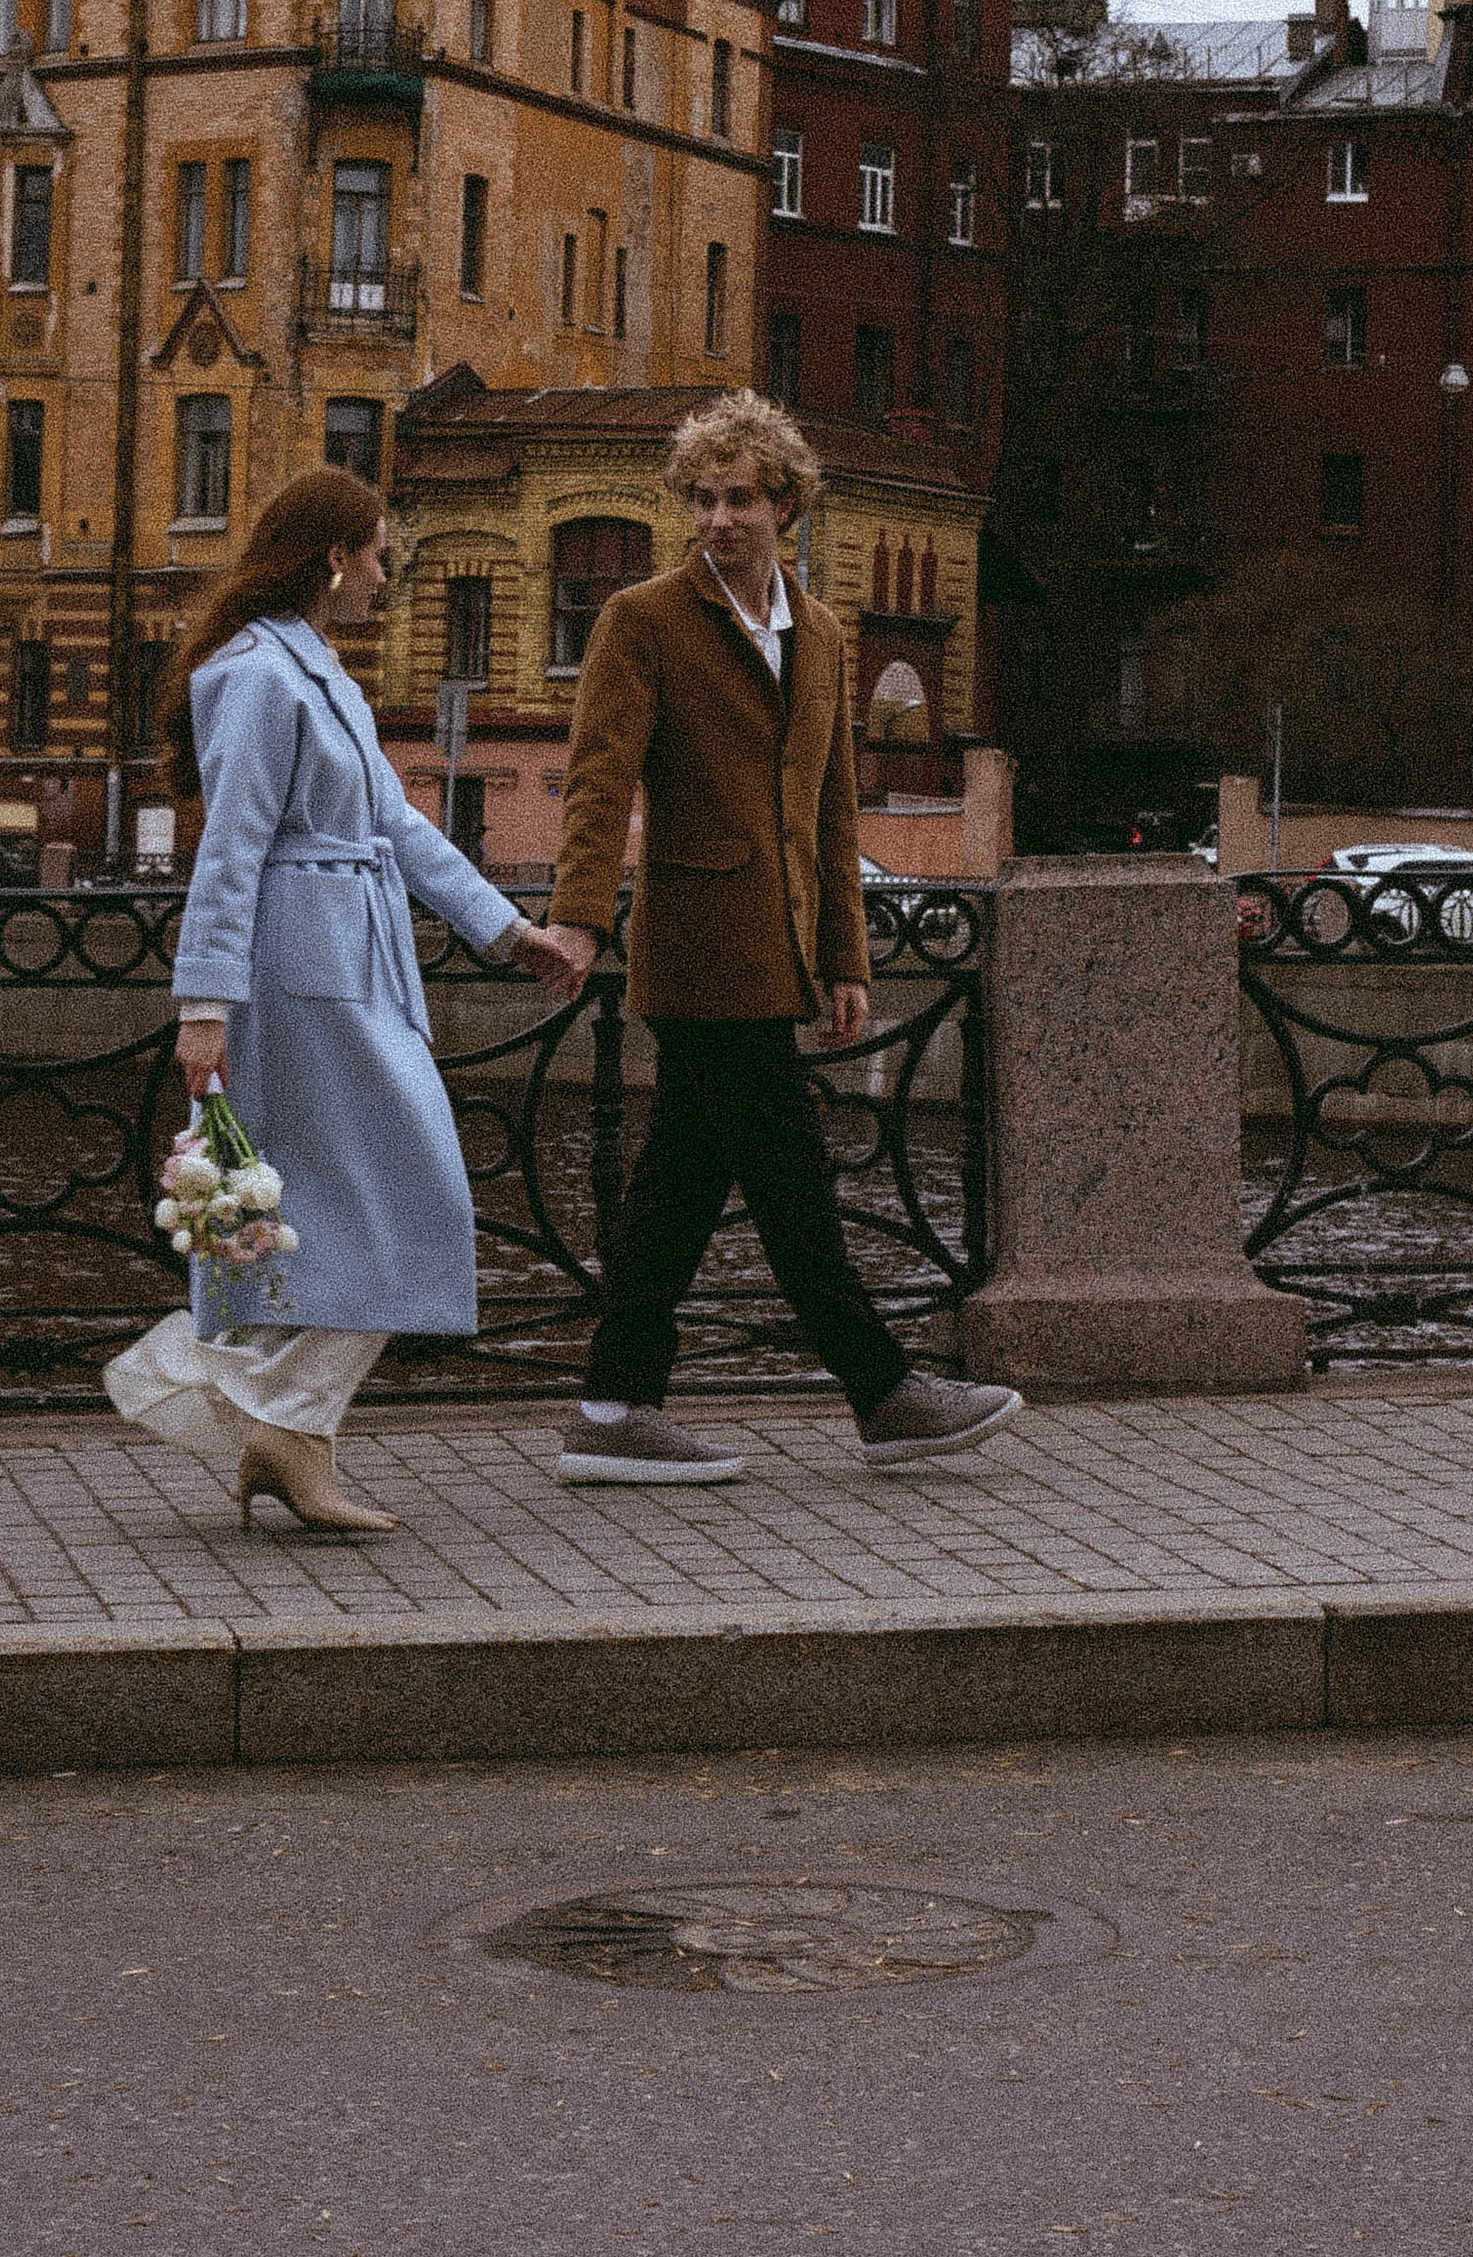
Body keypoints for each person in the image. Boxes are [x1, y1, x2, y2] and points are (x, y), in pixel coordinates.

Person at [543, 392, 1021, 1484]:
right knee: (792, 1180)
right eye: (702, 500)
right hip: (700, 948)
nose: (718, 520)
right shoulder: (645, 621)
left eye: (741, 499)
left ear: (786, 505)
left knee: (676, 1192)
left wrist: (846, 957)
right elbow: (597, 776)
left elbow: (832, 809)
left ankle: (614, 1409)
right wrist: (576, 918)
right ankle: (881, 1389)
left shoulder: (823, 634)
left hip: (785, 947)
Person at [104, 466, 587, 1532]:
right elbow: (228, 847)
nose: (385, 575)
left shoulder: (314, 668)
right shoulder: (259, 676)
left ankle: (286, 1432)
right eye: (377, 553)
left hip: (346, 962)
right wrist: (204, 1003)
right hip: (299, 970)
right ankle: (277, 1420)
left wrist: (507, 931)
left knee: (347, 1212)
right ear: (333, 557)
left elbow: (399, 827)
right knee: (409, 1198)